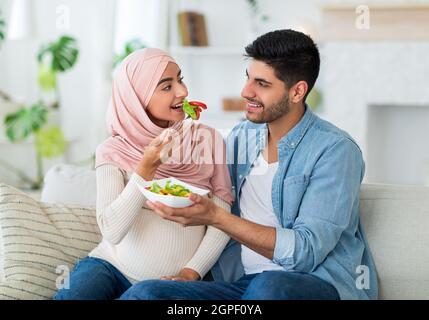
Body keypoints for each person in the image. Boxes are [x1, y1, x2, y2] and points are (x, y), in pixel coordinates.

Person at [119, 30, 379, 300]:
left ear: (297, 91)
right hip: (241, 284)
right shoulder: (242, 136)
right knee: (147, 293)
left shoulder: (335, 151)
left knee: (269, 289)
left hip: (312, 283)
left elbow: (306, 252)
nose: (246, 92)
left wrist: (216, 217)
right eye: (248, 78)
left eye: (262, 84)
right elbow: (209, 190)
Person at [53, 48, 234, 300]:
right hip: (108, 267)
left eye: (180, 79)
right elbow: (112, 231)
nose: (183, 91)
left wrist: (192, 272)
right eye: (166, 86)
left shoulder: (207, 140)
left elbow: (222, 219)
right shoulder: (113, 150)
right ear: (136, 98)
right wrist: (146, 168)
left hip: (173, 283)